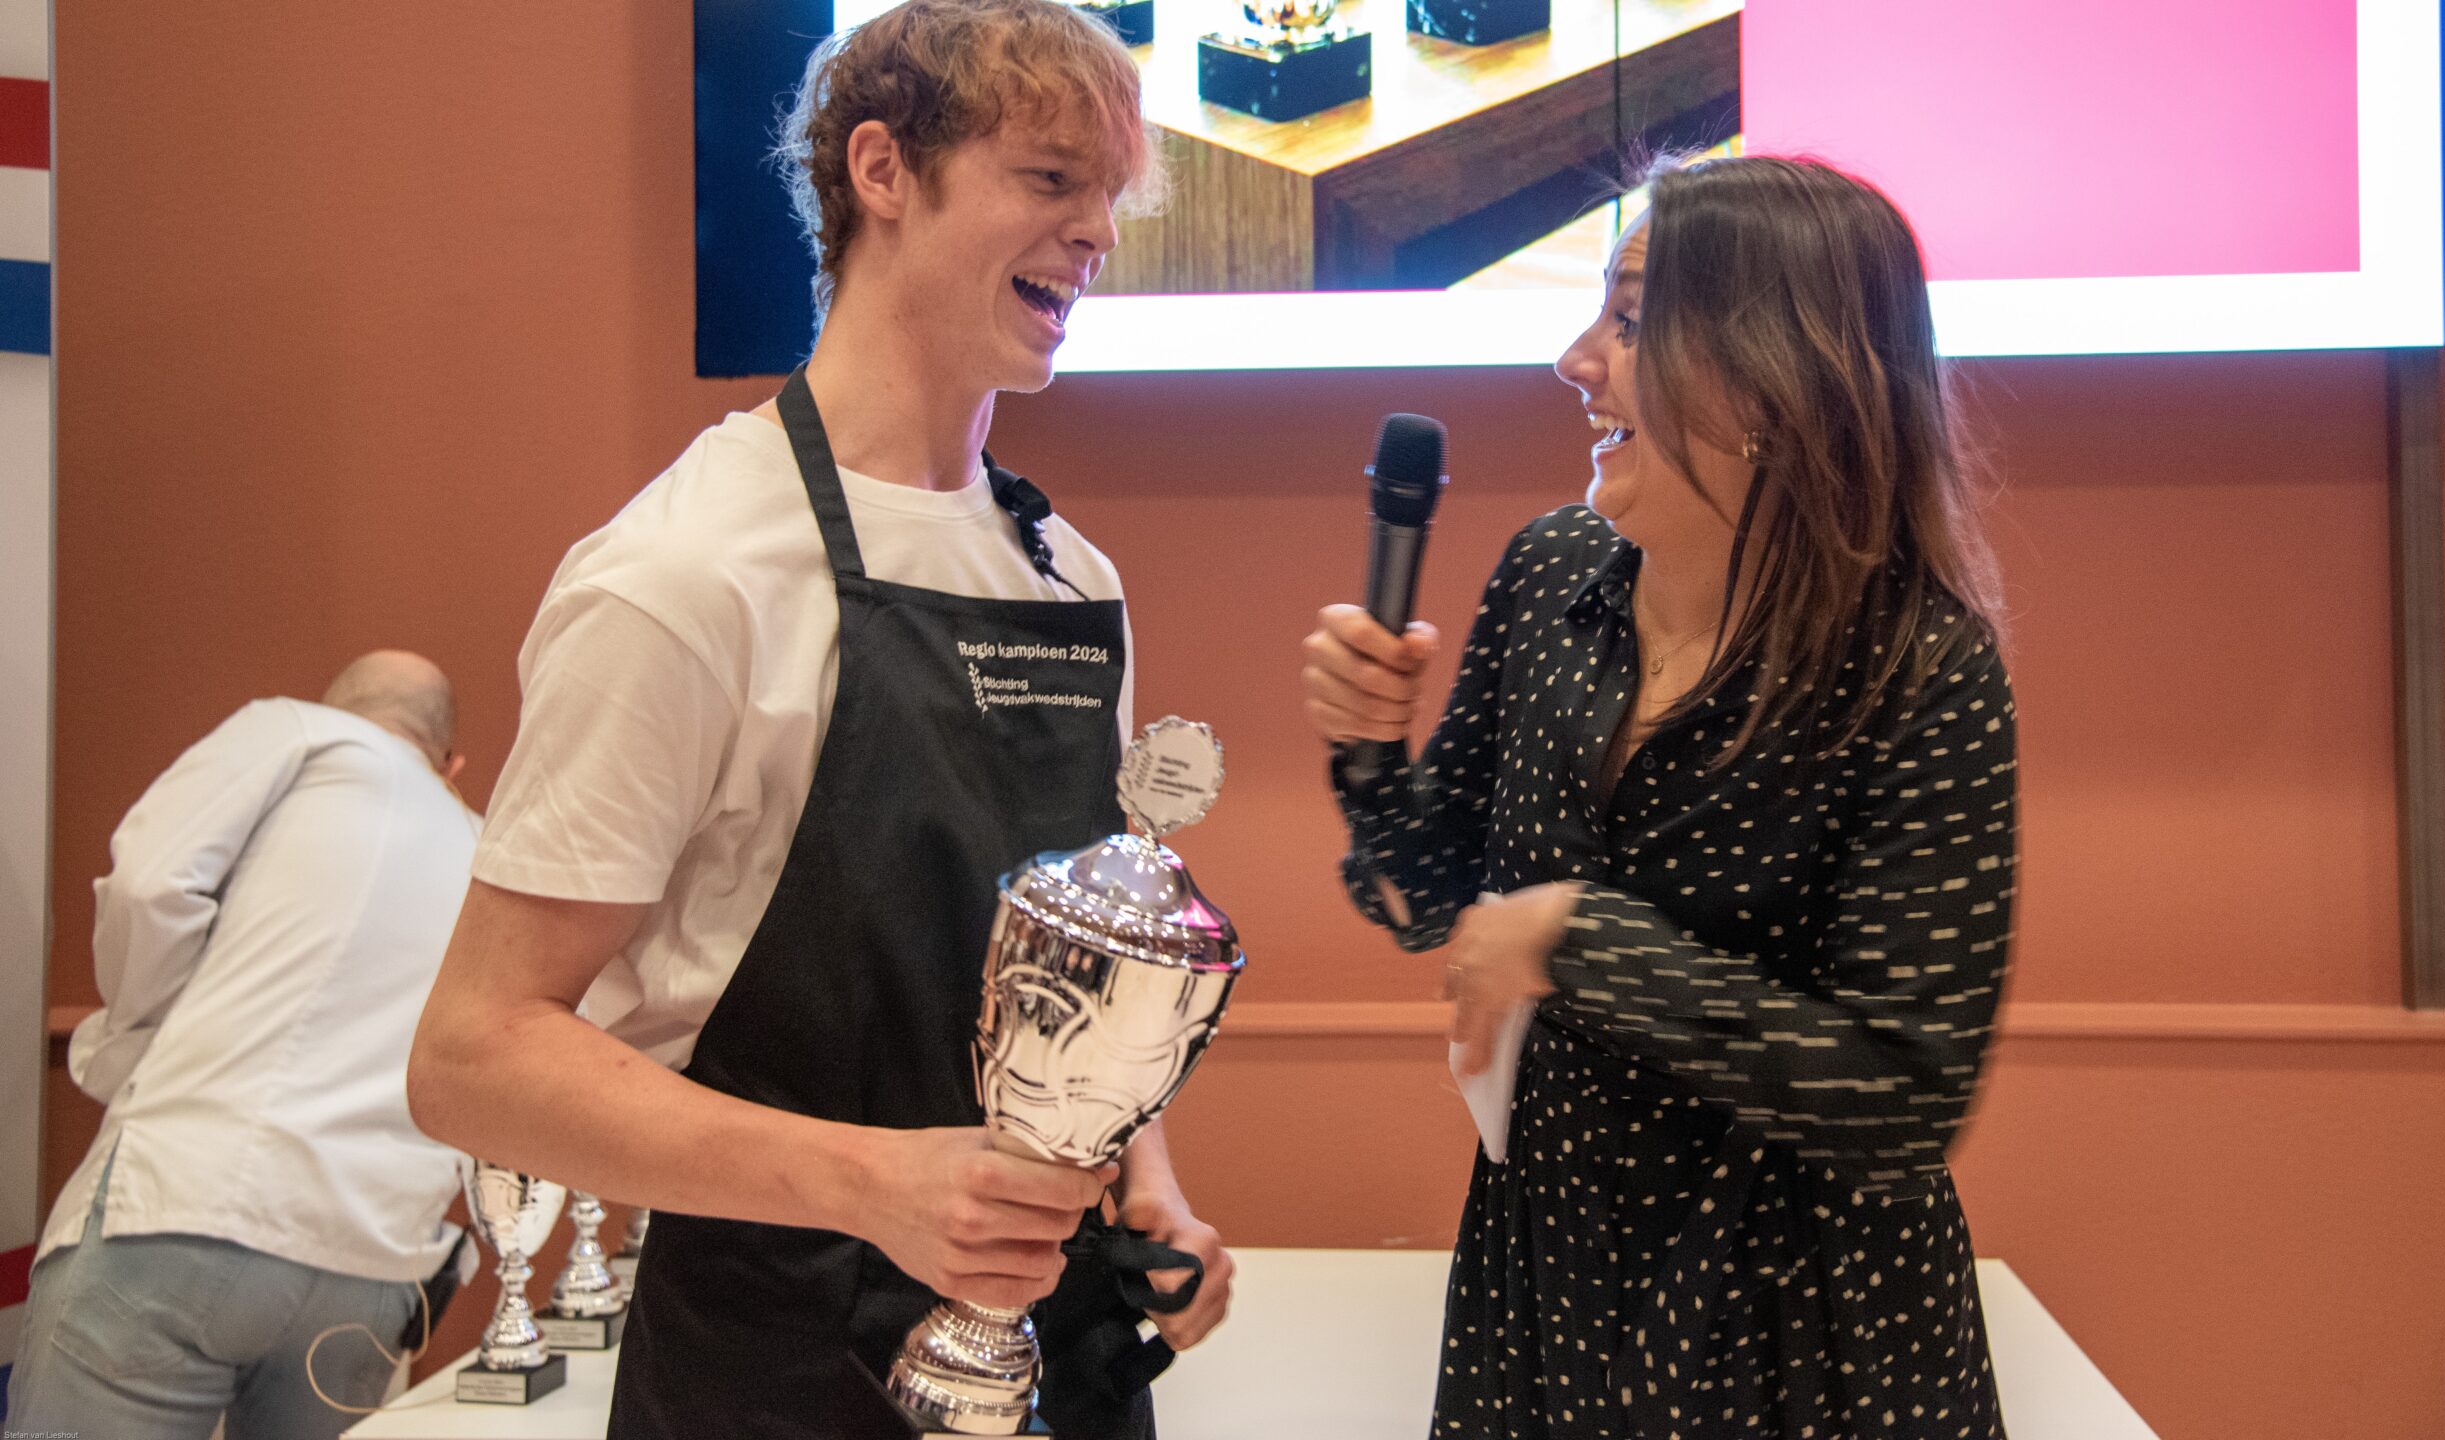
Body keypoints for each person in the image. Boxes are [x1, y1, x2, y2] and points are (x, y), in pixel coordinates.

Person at [404, 3, 1230, 1436]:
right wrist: (879, 1184)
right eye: (1049, 180)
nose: (1096, 233)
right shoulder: (682, 577)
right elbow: (473, 1056)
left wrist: (1143, 1179)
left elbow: (1080, 972)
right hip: (778, 1373)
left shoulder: (1068, 577)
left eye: (1108, 198)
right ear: (882, 171)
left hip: (1059, 1359)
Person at [1302, 154, 2020, 1439]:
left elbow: (1904, 1097)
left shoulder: (1923, 669)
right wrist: (1368, 758)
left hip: (1800, 1338)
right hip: (1550, 1293)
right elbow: (1443, 902)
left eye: (1630, 320)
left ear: (1773, 374)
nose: (1575, 361)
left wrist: (1583, 940)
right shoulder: (1549, 579)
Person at [7, 651, 479, 1440]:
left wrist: (139, 1036)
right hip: (374, 1264)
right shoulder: (482, 841)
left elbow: (151, 886)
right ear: (453, 761)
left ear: (334, 704)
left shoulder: (295, 733)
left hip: (190, 1208)